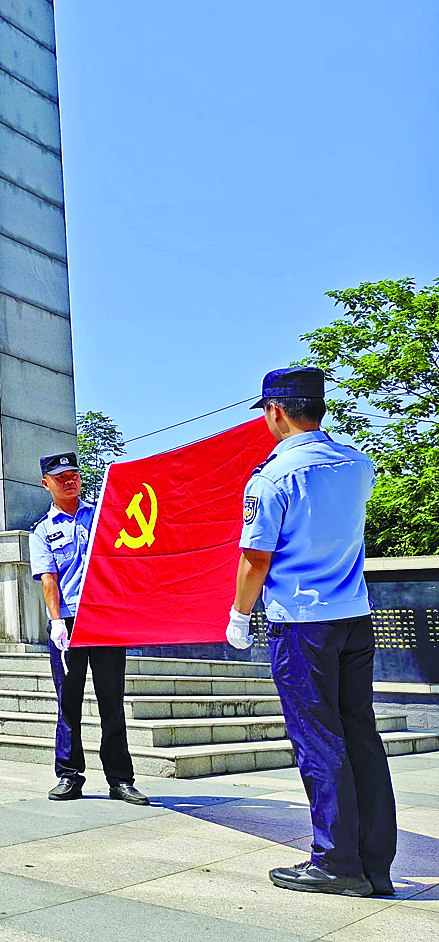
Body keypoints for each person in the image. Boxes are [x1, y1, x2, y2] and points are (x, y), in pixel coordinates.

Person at [228, 367, 396, 898]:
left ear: (275, 410)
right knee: (360, 734)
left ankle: (336, 862)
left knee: (319, 740)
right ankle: (375, 864)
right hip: (354, 616)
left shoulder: (272, 478)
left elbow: (256, 558)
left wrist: (239, 615)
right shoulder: (358, 464)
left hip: (303, 625)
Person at [28, 451, 148, 807]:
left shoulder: (101, 515)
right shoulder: (42, 531)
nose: (70, 481)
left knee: (112, 701)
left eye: (74, 475)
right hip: (67, 623)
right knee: (69, 701)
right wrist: (55, 622)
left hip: (105, 618)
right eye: (60, 477)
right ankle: (69, 775)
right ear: (46, 484)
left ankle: (120, 779)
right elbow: (49, 579)